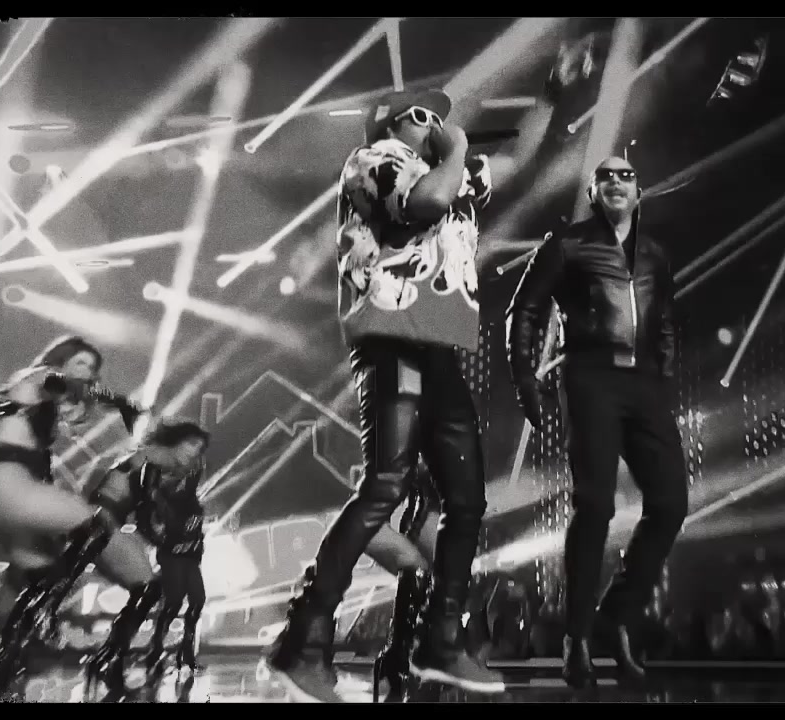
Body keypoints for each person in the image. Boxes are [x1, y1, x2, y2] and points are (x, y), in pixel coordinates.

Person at [267, 88, 504, 702]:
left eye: (441, 118)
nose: (437, 125)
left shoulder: (448, 171)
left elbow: (515, 161)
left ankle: (442, 641)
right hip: (393, 336)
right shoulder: (375, 161)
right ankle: (305, 638)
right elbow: (427, 203)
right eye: (425, 116)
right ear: (396, 122)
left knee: (467, 499)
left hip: (439, 345)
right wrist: (457, 148)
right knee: (386, 484)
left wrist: (555, 99)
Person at [506, 156, 689, 688]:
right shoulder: (567, 245)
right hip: (590, 378)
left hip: (644, 385)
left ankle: (615, 617)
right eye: (605, 175)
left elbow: (666, 319)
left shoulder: (654, 255)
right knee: (595, 505)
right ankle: (577, 638)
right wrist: (525, 379)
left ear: (640, 193)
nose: (615, 181)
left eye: (626, 175)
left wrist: (664, 375)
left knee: (671, 504)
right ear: (592, 192)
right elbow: (524, 311)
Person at [0, 336, 154, 699]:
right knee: (95, 527)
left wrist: (112, 405)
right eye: (80, 363)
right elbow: (56, 382)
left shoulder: (42, 396)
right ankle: (43, 617)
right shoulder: (42, 376)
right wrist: (117, 400)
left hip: (2, 488)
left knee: (38, 573)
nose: (88, 372)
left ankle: (3, 666)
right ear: (61, 360)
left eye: (92, 367)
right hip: (9, 481)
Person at [86, 417, 211, 691]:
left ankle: (110, 658)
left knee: (148, 591)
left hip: (103, 522)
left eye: (199, 449)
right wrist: (164, 538)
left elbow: (146, 508)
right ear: (176, 440)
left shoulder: (154, 461)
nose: (194, 452)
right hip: (101, 522)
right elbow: (144, 511)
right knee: (148, 590)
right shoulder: (153, 460)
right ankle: (110, 659)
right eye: (191, 444)